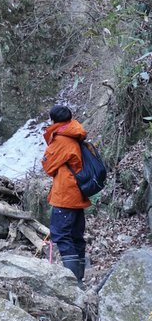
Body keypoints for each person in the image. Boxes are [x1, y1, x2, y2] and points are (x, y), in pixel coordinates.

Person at [42, 105, 90, 286]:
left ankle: (73, 281)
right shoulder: (74, 134)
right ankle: (79, 279)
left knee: (61, 234)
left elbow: (47, 166)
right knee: (76, 236)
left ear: (54, 120)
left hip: (66, 194)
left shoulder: (62, 140)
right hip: (78, 192)